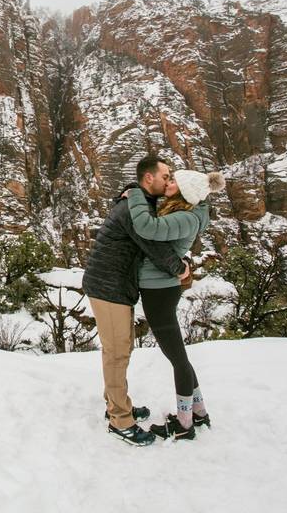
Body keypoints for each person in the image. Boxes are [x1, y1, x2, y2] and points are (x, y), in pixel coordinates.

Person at [82, 156, 191, 447]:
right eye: (165, 176)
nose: (169, 181)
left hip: (115, 285)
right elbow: (153, 246)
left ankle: (117, 404)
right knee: (117, 353)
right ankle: (120, 420)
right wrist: (180, 268)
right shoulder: (135, 208)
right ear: (148, 179)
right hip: (109, 287)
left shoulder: (140, 201)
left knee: (120, 349)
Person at [123, 168, 225, 441]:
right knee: (179, 355)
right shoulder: (184, 211)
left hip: (159, 290)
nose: (167, 183)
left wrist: (134, 193)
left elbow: (147, 228)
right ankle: (199, 413)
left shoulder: (186, 218)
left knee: (177, 358)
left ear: (183, 191)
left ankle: (184, 424)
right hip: (161, 286)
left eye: (172, 181)